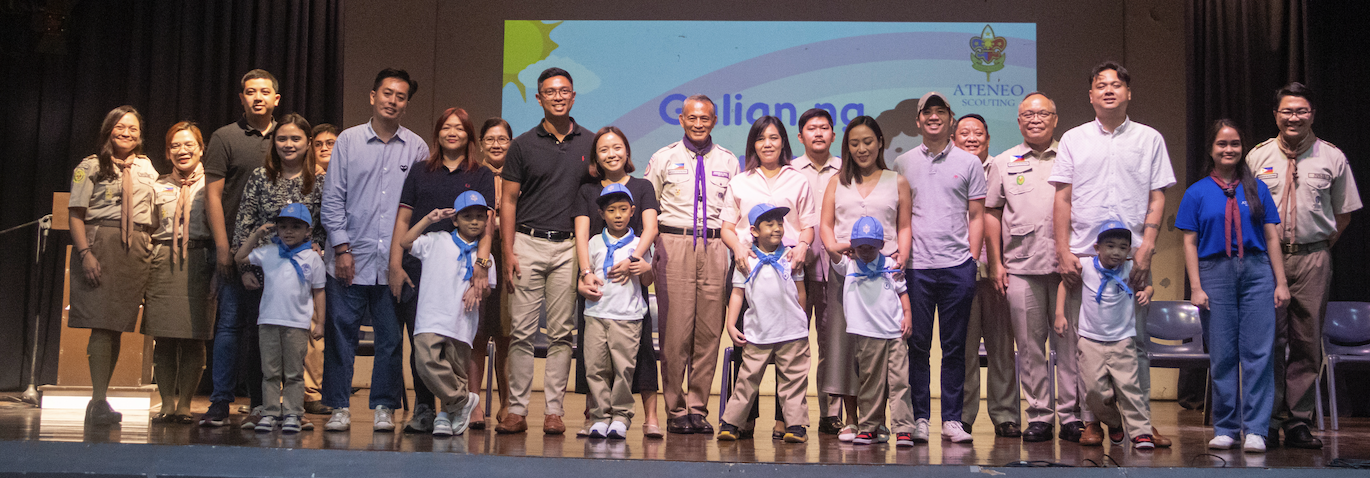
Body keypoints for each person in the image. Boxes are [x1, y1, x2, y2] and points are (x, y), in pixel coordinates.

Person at [1051, 62, 1175, 447]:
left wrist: (1149, 246)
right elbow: (1063, 197)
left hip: (1132, 257)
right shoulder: (1074, 138)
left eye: (1116, 84)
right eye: (1101, 85)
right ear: (1090, 95)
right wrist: (1062, 249)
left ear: (1128, 93)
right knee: (1083, 347)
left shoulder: (1149, 138)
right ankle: (1092, 421)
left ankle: (1140, 424)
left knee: (1134, 345)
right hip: (1085, 258)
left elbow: (1158, 194)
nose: (1109, 90)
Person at [1245, 82, 1362, 449]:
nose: (1294, 117)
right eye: (1287, 111)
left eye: (1301, 111)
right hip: (1267, 259)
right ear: (1276, 114)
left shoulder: (1332, 157)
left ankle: (1298, 421)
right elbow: (1246, 213)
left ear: (1312, 114)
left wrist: (1318, 247)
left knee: (1307, 342)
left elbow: (1343, 213)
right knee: (1269, 341)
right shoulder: (1257, 157)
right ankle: (1267, 419)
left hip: (1313, 257)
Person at [321, 68, 431, 432]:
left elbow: (418, 205)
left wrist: (401, 259)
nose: (393, 101)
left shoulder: (416, 148)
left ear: (406, 104)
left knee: (389, 339)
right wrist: (342, 248)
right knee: (341, 335)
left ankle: (384, 405)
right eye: (387, 93)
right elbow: (333, 198)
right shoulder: (348, 141)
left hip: (393, 264)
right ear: (372, 96)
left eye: (400, 96)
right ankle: (338, 405)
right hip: (348, 259)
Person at [1178, 119, 1290, 453]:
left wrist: (1280, 282)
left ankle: (1256, 428)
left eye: (1235, 144)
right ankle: (1226, 426)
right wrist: (1196, 287)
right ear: (1211, 149)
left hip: (1257, 272)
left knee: (1259, 352)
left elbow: (1272, 236)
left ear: (1243, 149)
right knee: (1223, 354)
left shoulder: (1256, 187)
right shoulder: (1197, 192)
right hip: (1215, 272)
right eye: (1222, 144)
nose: (1229, 150)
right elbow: (1188, 243)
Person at [497, 67, 595, 435]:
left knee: (561, 335)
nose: (558, 96)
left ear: (573, 97)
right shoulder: (522, 144)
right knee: (521, 333)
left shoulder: (589, 141)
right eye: (550, 92)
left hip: (569, 247)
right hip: (527, 243)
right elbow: (508, 201)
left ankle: (554, 411)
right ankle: (517, 410)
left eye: (564, 91)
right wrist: (508, 252)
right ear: (538, 98)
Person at [387, 107, 494, 433]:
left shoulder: (480, 173)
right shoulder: (420, 171)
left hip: (463, 268)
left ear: (469, 135)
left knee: (455, 346)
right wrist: (394, 265)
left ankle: (451, 411)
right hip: (423, 265)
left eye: (459, 128)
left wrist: (481, 267)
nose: (452, 133)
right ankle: (423, 408)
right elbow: (403, 221)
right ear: (437, 133)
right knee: (424, 344)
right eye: (446, 127)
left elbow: (487, 227)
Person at [984, 92, 1083, 442]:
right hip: (1021, 267)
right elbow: (992, 213)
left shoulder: (1072, 158)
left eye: (1043, 114)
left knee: (1070, 344)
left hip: (1066, 267)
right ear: (1019, 120)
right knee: (1028, 347)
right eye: (1028, 114)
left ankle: (1072, 416)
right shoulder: (1003, 161)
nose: (1035, 119)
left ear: (1055, 119)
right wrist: (995, 263)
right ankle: (1040, 414)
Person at [891, 91, 985, 444]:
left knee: (955, 346)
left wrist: (971, 259)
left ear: (951, 118)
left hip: (957, 266)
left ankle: (952, 419)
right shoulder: (903, 163)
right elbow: (900, 217)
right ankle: (919, 417)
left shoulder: (970, 162)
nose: (933, 117)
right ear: (918, 121)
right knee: (916, 345)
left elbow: (976, 214)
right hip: (916, 268)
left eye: (940, 112)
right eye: (926, 112)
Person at [646, 94, 739, 435]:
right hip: (674, 243)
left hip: (715, 246)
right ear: (682, 120)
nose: (698, 123)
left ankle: (698, 408)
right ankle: (675, 409)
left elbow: (736, 211)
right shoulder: (664, 158)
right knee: (675, 332)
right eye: (692, 118)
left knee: (708, 333)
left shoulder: (729, 161)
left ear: (714, 121)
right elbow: (648, 208)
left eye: (705, 118)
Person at [719, 115, 818, 437]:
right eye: (761, 138)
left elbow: (807, 225)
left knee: (792, 366)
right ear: (753, 144)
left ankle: (791, 424)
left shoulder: (798, 179)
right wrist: (739, 251)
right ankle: (739, 422)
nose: (768, 144)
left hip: (788, 264)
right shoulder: (741, 180)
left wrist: (802, 247)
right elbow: (727, 227)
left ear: (783, 142)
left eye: (774, 137)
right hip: (749, 266)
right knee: (750, 362)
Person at [228, 113, 326, 429]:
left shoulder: (319, 180)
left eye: (295, 138)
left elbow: (326, 222)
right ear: (274, 142)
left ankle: (295, 410)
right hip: (263, 268)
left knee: (297, 349)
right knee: (262, 345)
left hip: (301, 274)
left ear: (307, 143)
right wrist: (244, 268)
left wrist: (318, 247)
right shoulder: (260, 176)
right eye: (281, 138)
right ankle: (263, 407)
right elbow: (245, 220)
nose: (288, 144)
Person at [818, 115, 911, 441]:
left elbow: (903, 226)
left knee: (884, 350)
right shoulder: (836, 181)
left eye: (867, 141)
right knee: (846, 347)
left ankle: (879, 421)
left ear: (880, 143)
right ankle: (852, 419)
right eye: (854, 143)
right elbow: (826, 226)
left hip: (884, 274)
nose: (861, 148)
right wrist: (834, 249)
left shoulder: (896, 180)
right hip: (847, 273)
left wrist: (902, 255)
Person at [68, 106, 157, 426]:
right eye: (121, 126)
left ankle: (102, 400)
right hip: (100, 245)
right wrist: (85, 253)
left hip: (136, 248)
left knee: (118, 324)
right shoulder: (91, 166)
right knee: (101, 322)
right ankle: (97, 399)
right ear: (109, 129)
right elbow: (75, 213)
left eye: (133, 128)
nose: (127, 133)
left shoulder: (147, 167)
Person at [572, 127, 663, 438]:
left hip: (631, 287)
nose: (611, 153)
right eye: (603, 149)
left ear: (627, 150)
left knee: (633, 360)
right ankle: (598, 416)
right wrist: (585, 274)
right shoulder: (587, 190)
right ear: (595, 156)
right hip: (597, 292)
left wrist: (634, 260)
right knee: (594, 361)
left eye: (617, 147)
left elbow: (651, 228)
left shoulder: (642, 186)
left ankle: (628, 417)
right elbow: (581, 236)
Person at [201, 69, 280, 427]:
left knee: (267, 327)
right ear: (242, 98)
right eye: (251, 92)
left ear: (276, 99)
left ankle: (264, 402)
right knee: (230, 325)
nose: (258, 97)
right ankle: (220, 401)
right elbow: (213, 196)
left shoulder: (287, 135)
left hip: (280, 253)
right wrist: (222, 246)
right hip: (237, 247)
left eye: (265, 92)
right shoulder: (225, 137)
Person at [398, 191, 498, 437]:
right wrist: (428, 219)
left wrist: (478, 288)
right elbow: (405, 242)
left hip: (461, 320)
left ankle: (447, 414)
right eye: (467, 217)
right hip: (431, 316)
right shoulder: (437, 240)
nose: (474, 222)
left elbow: (487, 290)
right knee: (426, 361)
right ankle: (462, 401)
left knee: (456, 370)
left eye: (479, 217)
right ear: (455, 220)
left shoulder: (484, 259)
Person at [1054, 220, 1156, 449]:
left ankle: (1141, 432)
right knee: (1093, 391)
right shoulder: (1086, 266)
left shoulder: (1130, 268)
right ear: (1097, 247)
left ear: (1128, 251)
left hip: (1122, 340)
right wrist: (1060, 313)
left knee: (1130, 388)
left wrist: (1147, 293)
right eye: (1110, 246)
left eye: (1122, 247)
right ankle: (1113, 422)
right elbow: (1064, 285)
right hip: (1090, 341)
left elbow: (1148, 286)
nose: (1116, 252)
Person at [717, 204, 810, 443]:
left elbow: (800, 291)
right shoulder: (746, 259)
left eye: (780, 223)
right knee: (747, 380)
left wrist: (802, 318)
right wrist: (731, 324)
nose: (777, 228)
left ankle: (796, 425)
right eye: (770, 224)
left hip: (791, 332)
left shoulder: (790, 256)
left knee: (793, 381)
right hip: (758, 331)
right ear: (754, 231)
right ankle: (731, 423)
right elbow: (737, 293)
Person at [954, 113, 1021, 437]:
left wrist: (999, 262)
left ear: (988, 138)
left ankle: (1006, 415)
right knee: (964, 350)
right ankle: (963, 417)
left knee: (1001, 349)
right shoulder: (948, 171)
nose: (971, 138)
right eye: (964, 133)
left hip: (997, 272)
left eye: (977, 133)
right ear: (953, 139)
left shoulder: (1002, 168)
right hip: (959, 274)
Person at [144, 122, 213, 424]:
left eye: (189, 145)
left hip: (200, 260)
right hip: (163, 261)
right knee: (165, 339)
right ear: (167, 152)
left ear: (201, 149)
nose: (182, 151)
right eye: (175, 146)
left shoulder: (213, 184)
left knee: (194, 338)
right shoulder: (157, 185)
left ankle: (185, 404)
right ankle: (166, 403)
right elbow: (148, 228)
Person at [236, 203, 326, 434]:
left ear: (308, 231)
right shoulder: (268, 252)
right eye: (283, 226)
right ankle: (270, 412)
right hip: (268, 321)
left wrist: (321, 323)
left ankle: (294, 413)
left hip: (296, 323)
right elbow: (240, 256)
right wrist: (257, 234)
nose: (288, 231)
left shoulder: (312, 257)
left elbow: (319, 291)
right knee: (271, 372)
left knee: (294, 372)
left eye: (296, 227)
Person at [829, 216, 916, 446]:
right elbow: (830, 247)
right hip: (868, 336)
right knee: (871, 382)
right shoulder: (849, 265)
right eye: (861, 246)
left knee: (900, 382)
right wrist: (851, 247)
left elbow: (902, 291)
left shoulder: (890, 265)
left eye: (871, 246)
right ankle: (869, 427)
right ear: (853, 246)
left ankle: (904, 428)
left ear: (881, 245)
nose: (866, 251)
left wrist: (907, 315)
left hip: (894, 333)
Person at [578, 184, 655, 439]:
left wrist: (644, 269)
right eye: (612, 210)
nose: (618, 215)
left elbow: (647, 281)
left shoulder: (638, 245)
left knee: (624, 370)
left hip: (628, 317)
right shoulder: (593, 242)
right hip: (596, 314)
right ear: (602, 214)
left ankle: (621, 416)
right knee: (595, 368)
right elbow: (583, 275)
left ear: (633, 211)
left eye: (623, 209)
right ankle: (600, 417)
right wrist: (583, 282)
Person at [789, 108, 846, 434]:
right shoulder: (790, 170)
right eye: (812, 129)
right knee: (795, 343)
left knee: (832, 343)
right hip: (796, 269)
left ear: (833, 135)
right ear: (801, 137)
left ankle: (830, 412)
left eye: (825, 128)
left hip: (835, 269)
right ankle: (794, 415)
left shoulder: (846, 169)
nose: (819, 133)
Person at [471, 118, 515, 429]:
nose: (496, 144)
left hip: (510, 254)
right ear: (481, 143)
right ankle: (474, 405)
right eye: (490, 139)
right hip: (476, 255)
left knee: (507, 334)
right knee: (476, 332)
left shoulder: (518, 176)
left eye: (502, 139)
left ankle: (507, 405)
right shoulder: (472, 174)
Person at [304, 122, 338, 415]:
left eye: (331, 143)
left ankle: (313, 391)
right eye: (319, 143)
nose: (325, 148)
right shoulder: (303, 179)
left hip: (335, 261)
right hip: (303, 258)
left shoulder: (345, 179)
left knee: (319, 327)